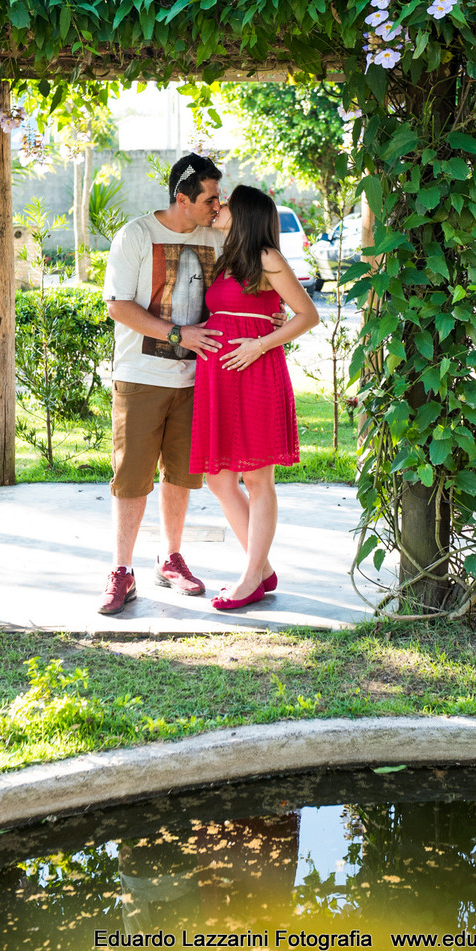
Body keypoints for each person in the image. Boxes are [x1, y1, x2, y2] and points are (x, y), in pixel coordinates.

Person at [99, 153, 225, 614]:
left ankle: (170, 559)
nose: (218, 205)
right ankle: (121, 570)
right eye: (210, 198)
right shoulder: (136, 235)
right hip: (140, 375)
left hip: (197, 379)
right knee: (131, 476)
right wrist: (177, 333)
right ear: (182, 198)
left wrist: (228, 217)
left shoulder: (218, 234)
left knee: (181, 473)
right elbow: (118, 305)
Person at [190, 184, 320, 611]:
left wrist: (259, 344)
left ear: (244, 213)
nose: (218, 207)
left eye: (225, 203)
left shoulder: (267, 257)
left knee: (258, 478)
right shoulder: (230, 256)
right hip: (220, 376)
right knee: (218, 478)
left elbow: (307, 315)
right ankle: (261, 569)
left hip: (255, 370)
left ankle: (250, 577)